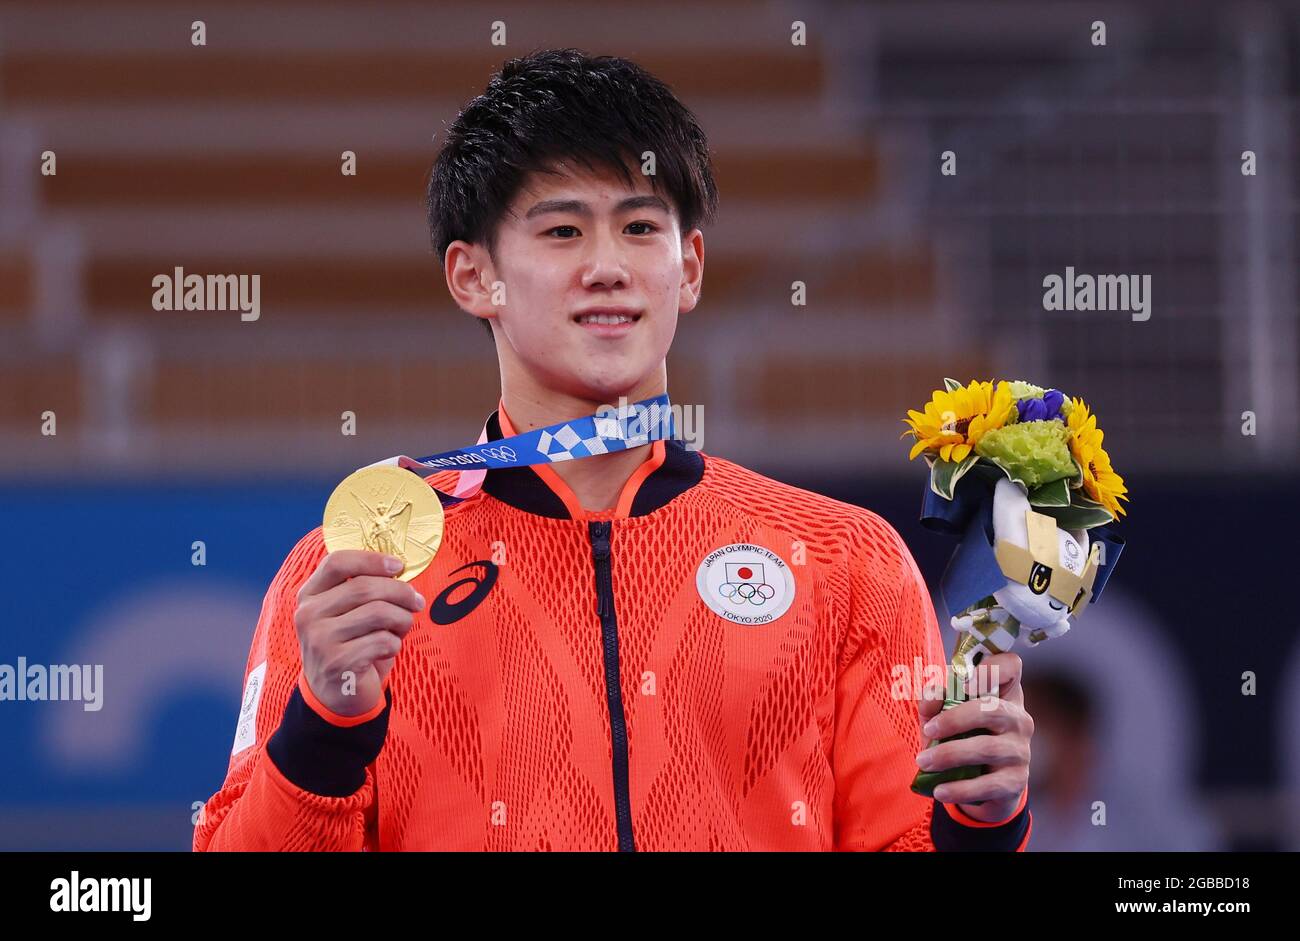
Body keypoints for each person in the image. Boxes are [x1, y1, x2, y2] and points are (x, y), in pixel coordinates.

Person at [194, 48, 1032, 852]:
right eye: (561, 232)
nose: (606, 266)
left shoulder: (847, 562)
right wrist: (322, 731)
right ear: (472, 276)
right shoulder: (364, 572)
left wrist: (981, 821)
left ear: (690, 267)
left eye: (638, 227)